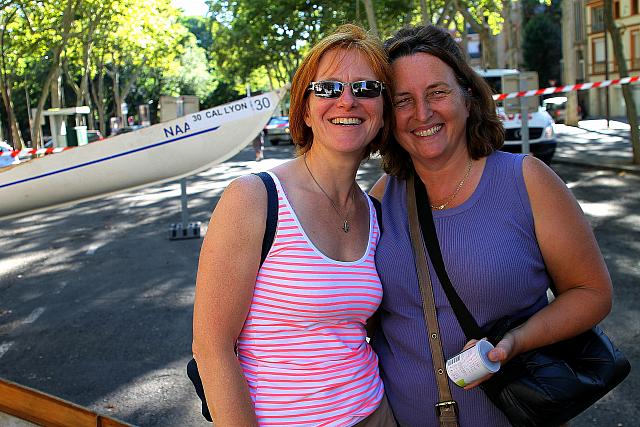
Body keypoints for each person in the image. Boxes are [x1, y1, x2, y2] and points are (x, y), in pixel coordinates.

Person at [369, 25, 613, 427]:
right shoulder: (380, 198)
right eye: (403, 101)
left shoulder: (527, 181)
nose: (422, 113)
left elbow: (592, 293)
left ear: (468, 96)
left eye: (437, 93)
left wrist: (517, 341)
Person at [192, 24, 397, 427]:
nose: (347, 100)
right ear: (305, 108)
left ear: (383, 110)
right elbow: (212, 348)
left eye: (367, 89)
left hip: (376, 412)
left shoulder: (375, 210)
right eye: (328, 89)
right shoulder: (254, 198)